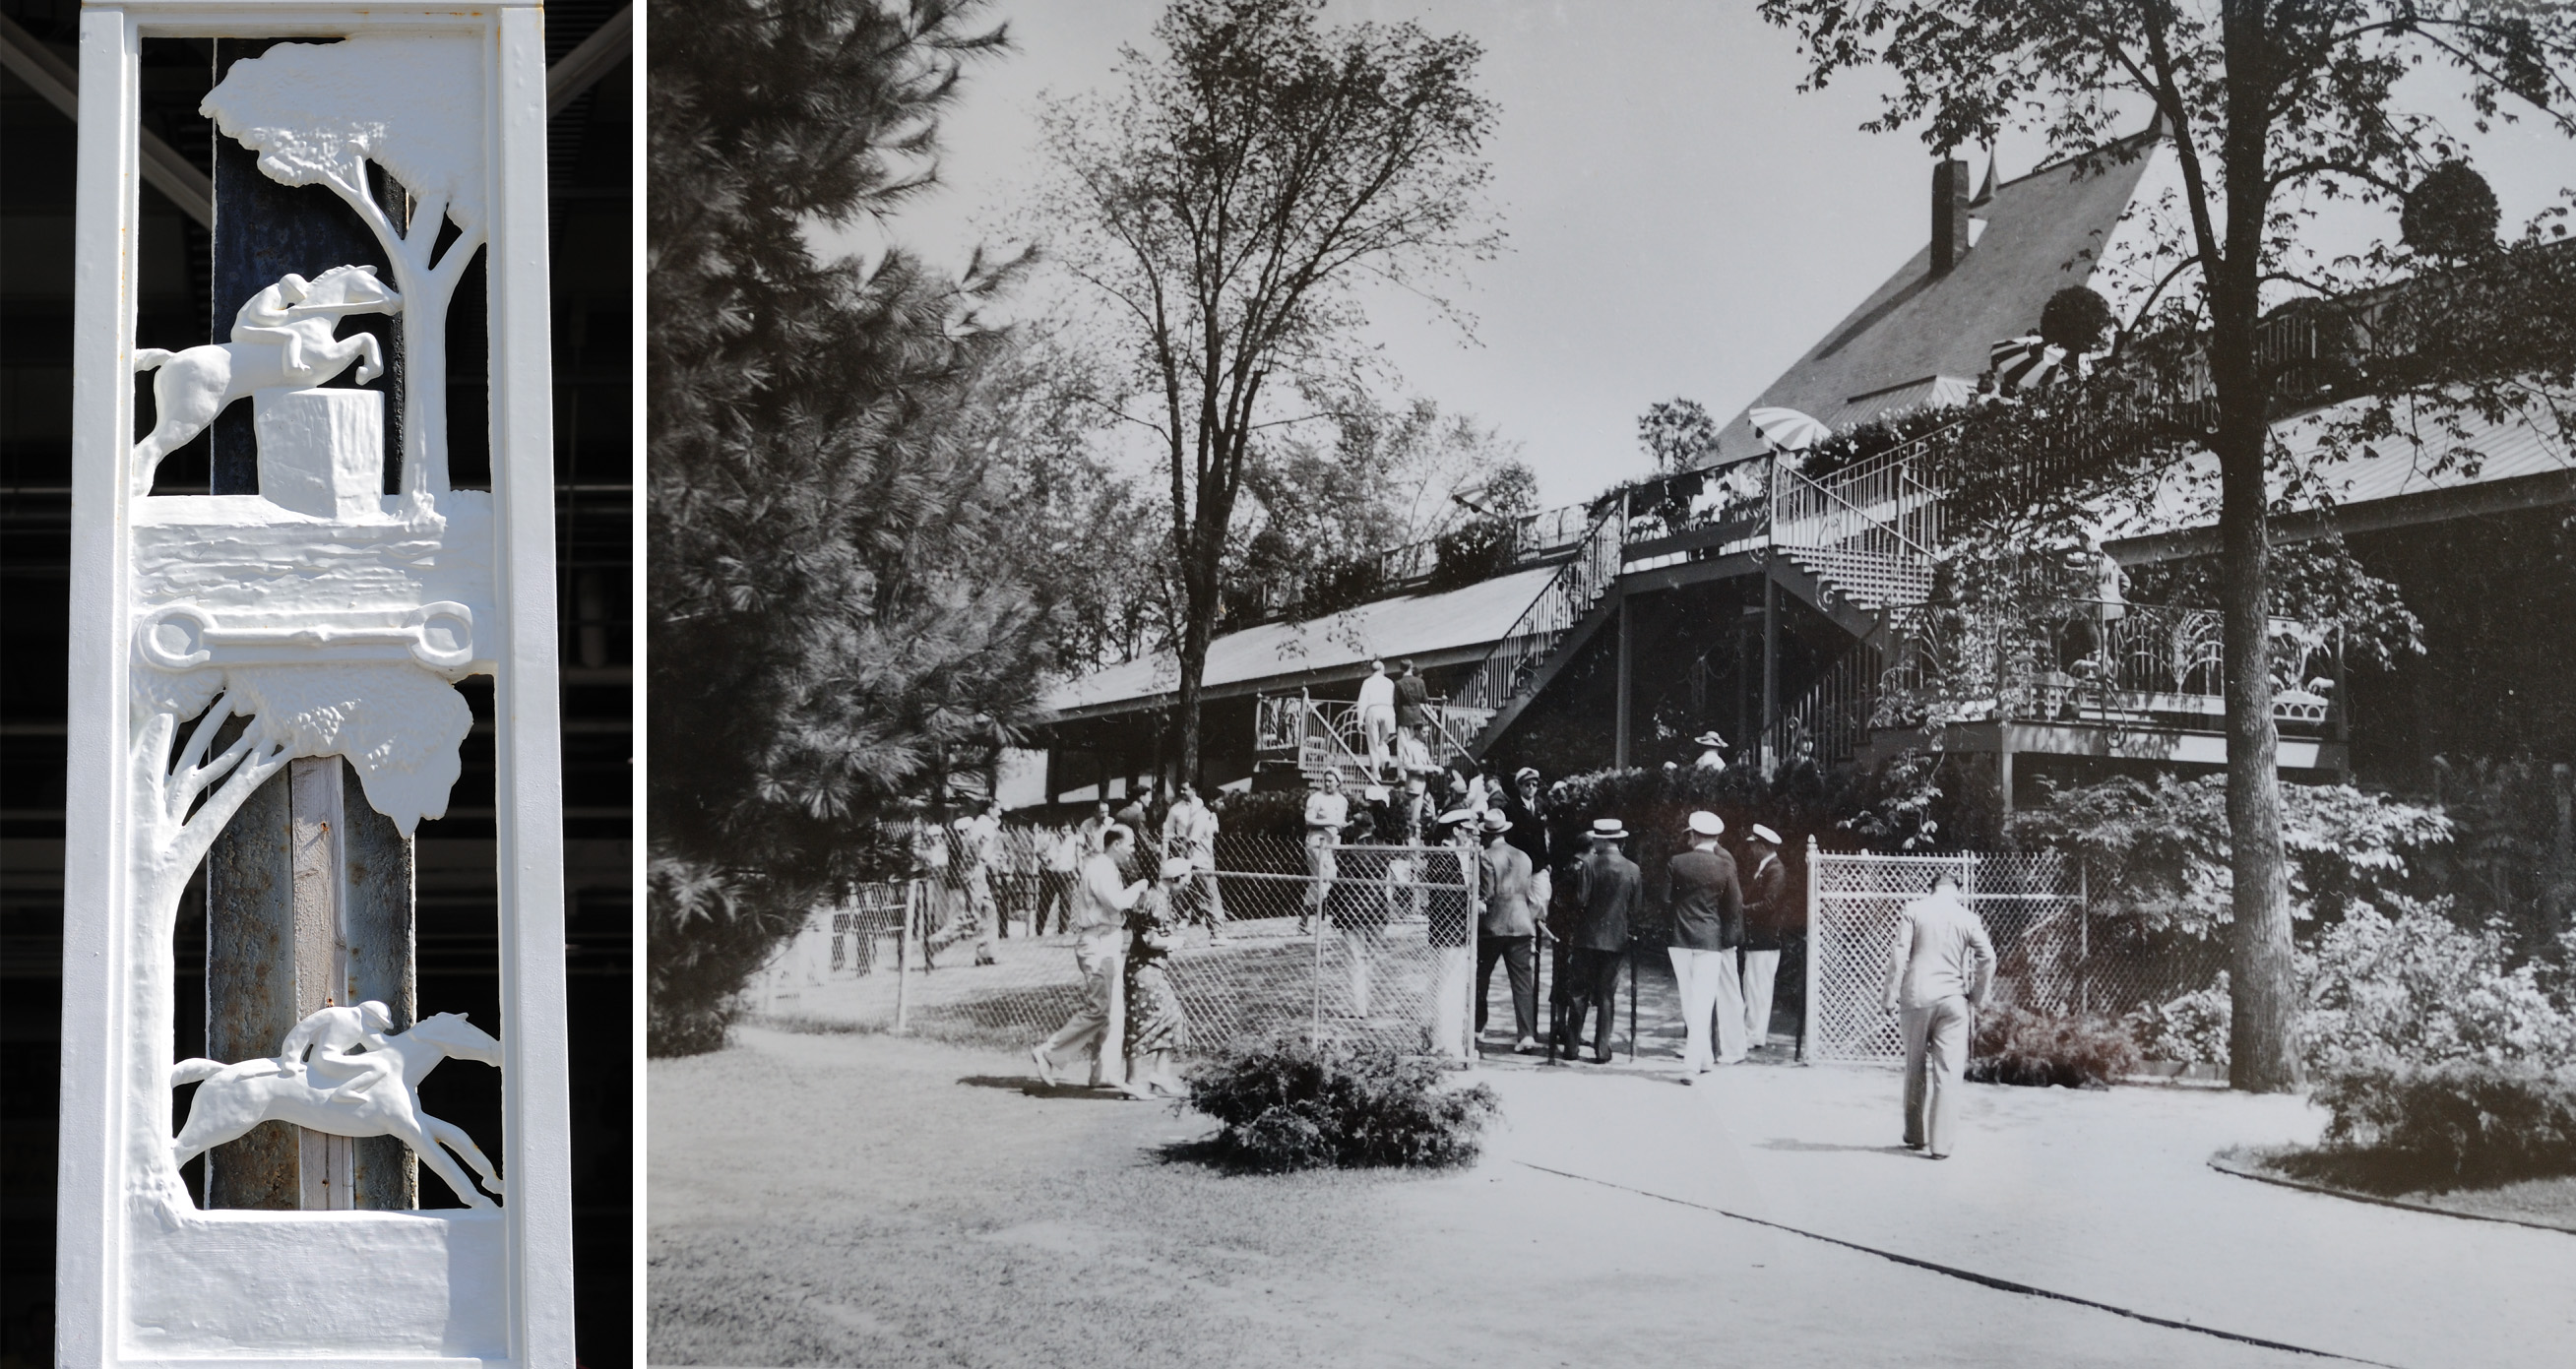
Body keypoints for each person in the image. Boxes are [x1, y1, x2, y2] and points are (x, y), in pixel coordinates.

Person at [1885, 870, 1995, 1158]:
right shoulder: (1968, 918)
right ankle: (1941, 1145)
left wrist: (1890, 994)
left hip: (1917, 997)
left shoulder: (1914, 909)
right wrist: (1976, 995)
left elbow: (1900, 954)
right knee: (1947, 1073)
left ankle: (1915, 1134)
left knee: (1915, 1067)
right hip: (1953, 1000)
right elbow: (1988, 957)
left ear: (1932, 888)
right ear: (1956, 889)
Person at [1032, 825, 1151, 1088]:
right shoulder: (1099, 868)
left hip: (1108, 940)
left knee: (1113, 1012)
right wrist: (1139, 887)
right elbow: (1116, 902)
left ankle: (1103, 1073)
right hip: (1097, 942)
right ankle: (1049, 1052)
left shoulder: (1107, 868)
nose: (1133, 851)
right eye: (1130, 845)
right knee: (1100, 1010)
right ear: (1116, 844)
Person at [1666, 810, 1747, 1078]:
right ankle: (1698, 1060)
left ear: (1694, 835)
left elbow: (1665, 901)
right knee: (1702, 1000)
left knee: (1689, 1000)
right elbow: (1734, 907)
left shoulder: (1676, 862)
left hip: (1679, 938)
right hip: (1710, 940)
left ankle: (1699, 1060)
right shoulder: (1725, 865)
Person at [1560, 819, 1639, 1063]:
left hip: (1587, 938)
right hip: (1616, 940)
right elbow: (1635, 907)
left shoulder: (1589, 864)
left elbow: (1581, 899)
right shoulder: (1633, 869)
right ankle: (1602, 1049)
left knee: (1578, 993)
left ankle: (1572, 1047)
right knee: (1606, 996)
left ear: (1603, 840)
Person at [1120, 857, 1194, 1098]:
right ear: (1175, 879)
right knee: (1142, 1024)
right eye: (1185, 880)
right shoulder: (1156, 901)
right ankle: (1132, 1081)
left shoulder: (1159, 898)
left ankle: (1159, 1075)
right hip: (1144, 970)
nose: (1187, 885)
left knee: (1171, 1018)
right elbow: (1149, 940)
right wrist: (1174, 942)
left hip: (1150, 969)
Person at [1475, 809, 1542, 1054]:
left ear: (1486, 834)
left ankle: (1478, 1026)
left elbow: (1488, 894)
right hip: (1522, 921)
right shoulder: (1524, 857)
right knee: (1523, 981)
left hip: (1495, 924)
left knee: (1481, 976)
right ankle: (1526, 1034)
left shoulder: (1486, 857)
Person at [1424, 808, 1478, 1060]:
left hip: (1445, 931)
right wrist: (1472, 900)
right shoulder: (1446, 857)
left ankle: (1442, 1041)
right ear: (1455, 830)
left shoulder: (1445, 855)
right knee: (1450, 988)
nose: (1469, 835)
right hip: (1451, 932)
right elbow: (1450, 898)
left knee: (1445, 986)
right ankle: (1449, 1043)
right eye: (1466, 830)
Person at [1739, 824, 1795, 1051]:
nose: (1751, 849)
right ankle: (1751, 1031)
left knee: (1759, 987)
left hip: (1766, 938)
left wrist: (1741, 909)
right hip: (1759, 938)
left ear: (1763, 846)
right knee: (1752, 985)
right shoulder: (1766, 868)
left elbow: (1769, 904)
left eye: (1754, 845)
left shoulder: (1775, 870)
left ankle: (1755, 1035)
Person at [1162, 782, 1227, 943]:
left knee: (1201, 898)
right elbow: (1191, 842)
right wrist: (1186, 865)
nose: (1222, 804)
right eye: (1220, 801)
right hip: (1200, 864)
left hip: (1203, 862)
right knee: (1211, 898)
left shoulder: (1206, 815)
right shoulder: (1201, 817)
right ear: (1212, 801)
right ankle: (1217, 934)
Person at [1300, 770, 1351, 936]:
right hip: (1316, 842)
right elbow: (1308, 820)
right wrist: (1331, 822)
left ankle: (1307, 920)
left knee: (1322, 880)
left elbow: (1339, 824)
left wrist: (1339, 831)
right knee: (1325, 877)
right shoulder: (1316, 798)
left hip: (1331, 844)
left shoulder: (1343, 801)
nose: (1328, 784)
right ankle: (1312, 919)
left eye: (1331, 781)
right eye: (1326, 780)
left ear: (1339, 782)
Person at [1036, 823, 1083, 937]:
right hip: (1050, 874)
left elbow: (1078, 857)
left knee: (1066, 902)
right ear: (1057, 830)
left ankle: (1064, 930)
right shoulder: (1050, 838)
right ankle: (1039, 930)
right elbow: (1038, 852)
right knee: (1045, 903)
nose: (1066, 833)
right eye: (1063, 830)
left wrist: (1079, 872)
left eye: (1068, 830)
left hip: (1067, 874)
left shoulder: (1074, 840)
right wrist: (1045, 861)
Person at [1356, 659, 1398, 777]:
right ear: (1382, 670)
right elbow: (1394, 700)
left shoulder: (1367, 682)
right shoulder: (1389, 682)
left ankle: (1376, 772)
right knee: (1383, 740)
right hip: (1387, 710)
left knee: (1373, 743)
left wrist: (1360, 720)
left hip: (1373, 710)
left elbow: (1362, 701)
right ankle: (1385, 757)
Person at [1392, 657, 1430, 736]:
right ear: (1411, 667)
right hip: (1417, 715)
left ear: (1401, 669)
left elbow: (1396, 703)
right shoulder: (1420, 682)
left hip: (1403, 716)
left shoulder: (1398, 683)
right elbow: (1425, 699)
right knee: (1415, 740)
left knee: (1403, 743)